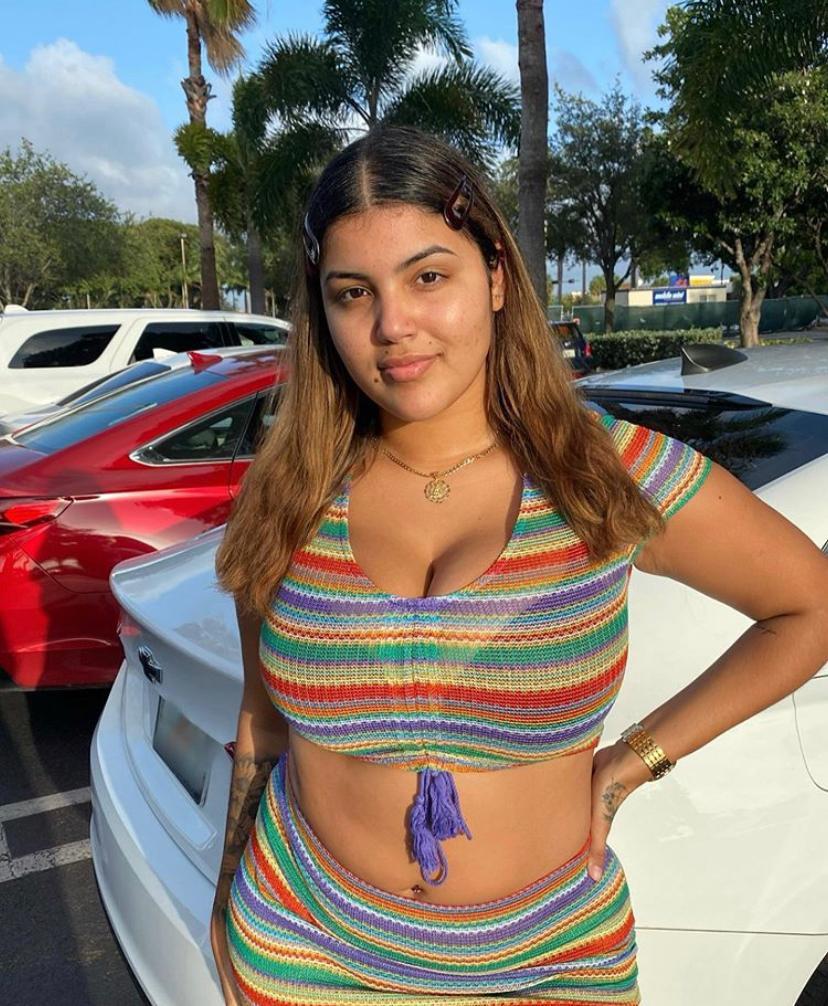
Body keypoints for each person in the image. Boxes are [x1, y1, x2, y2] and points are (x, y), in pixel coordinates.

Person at [209, 125, 828, 1005]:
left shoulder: (607, 474)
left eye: (429, 277)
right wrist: (225, 903)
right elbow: (263, 727)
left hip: (549, 963)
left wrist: (631, 764)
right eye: (353, 293)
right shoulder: (287, 493)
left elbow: (809, 607)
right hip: (303, 949)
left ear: (496, 276)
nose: (393, 326)